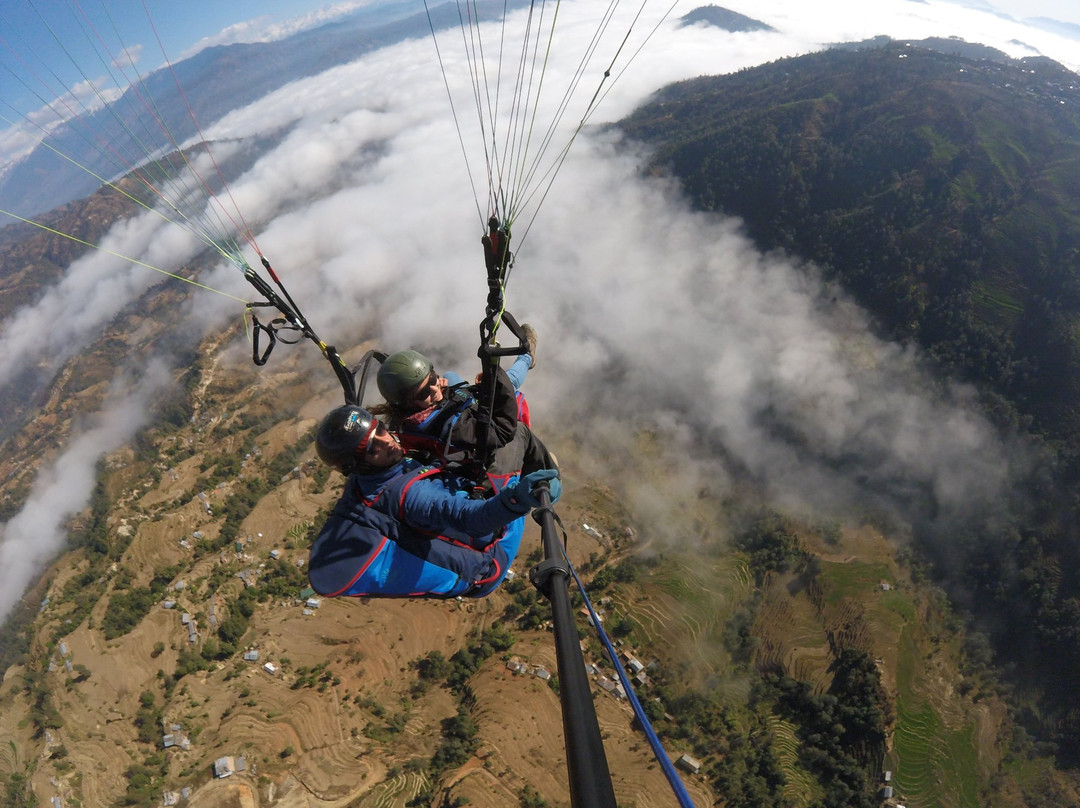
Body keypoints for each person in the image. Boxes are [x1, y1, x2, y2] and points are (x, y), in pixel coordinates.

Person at [307, 405, 561, 599]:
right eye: (373, 448)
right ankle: (548, 482)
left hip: (464, 531)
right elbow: (471, 519)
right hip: (492, 553)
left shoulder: (367, 480)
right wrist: (519, 497)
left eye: (380, 429)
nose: (387, 440)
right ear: (359, 464)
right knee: (516, 434)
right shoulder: (414, 497)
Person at [376, 333, 550, 492]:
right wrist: (495, 374)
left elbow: (434, 395)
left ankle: (525, 359)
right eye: (423, 393)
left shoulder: (405, 419)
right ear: (406, 403)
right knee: (509, 386)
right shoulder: (455, 428)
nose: (435, 388)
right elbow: (503, 430)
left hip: (458, 418)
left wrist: (442, 388)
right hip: (482, 443)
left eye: (432, 377)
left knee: (451, 376)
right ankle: (526, 358)